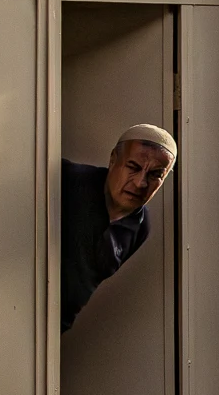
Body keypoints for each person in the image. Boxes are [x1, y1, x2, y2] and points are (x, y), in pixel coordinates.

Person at [60, 124, 178, 333]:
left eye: (155, 175)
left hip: (56, 327)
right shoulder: (68, 179)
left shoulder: (140, 227)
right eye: (133, 167)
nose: (141, 183)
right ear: (113, 159)